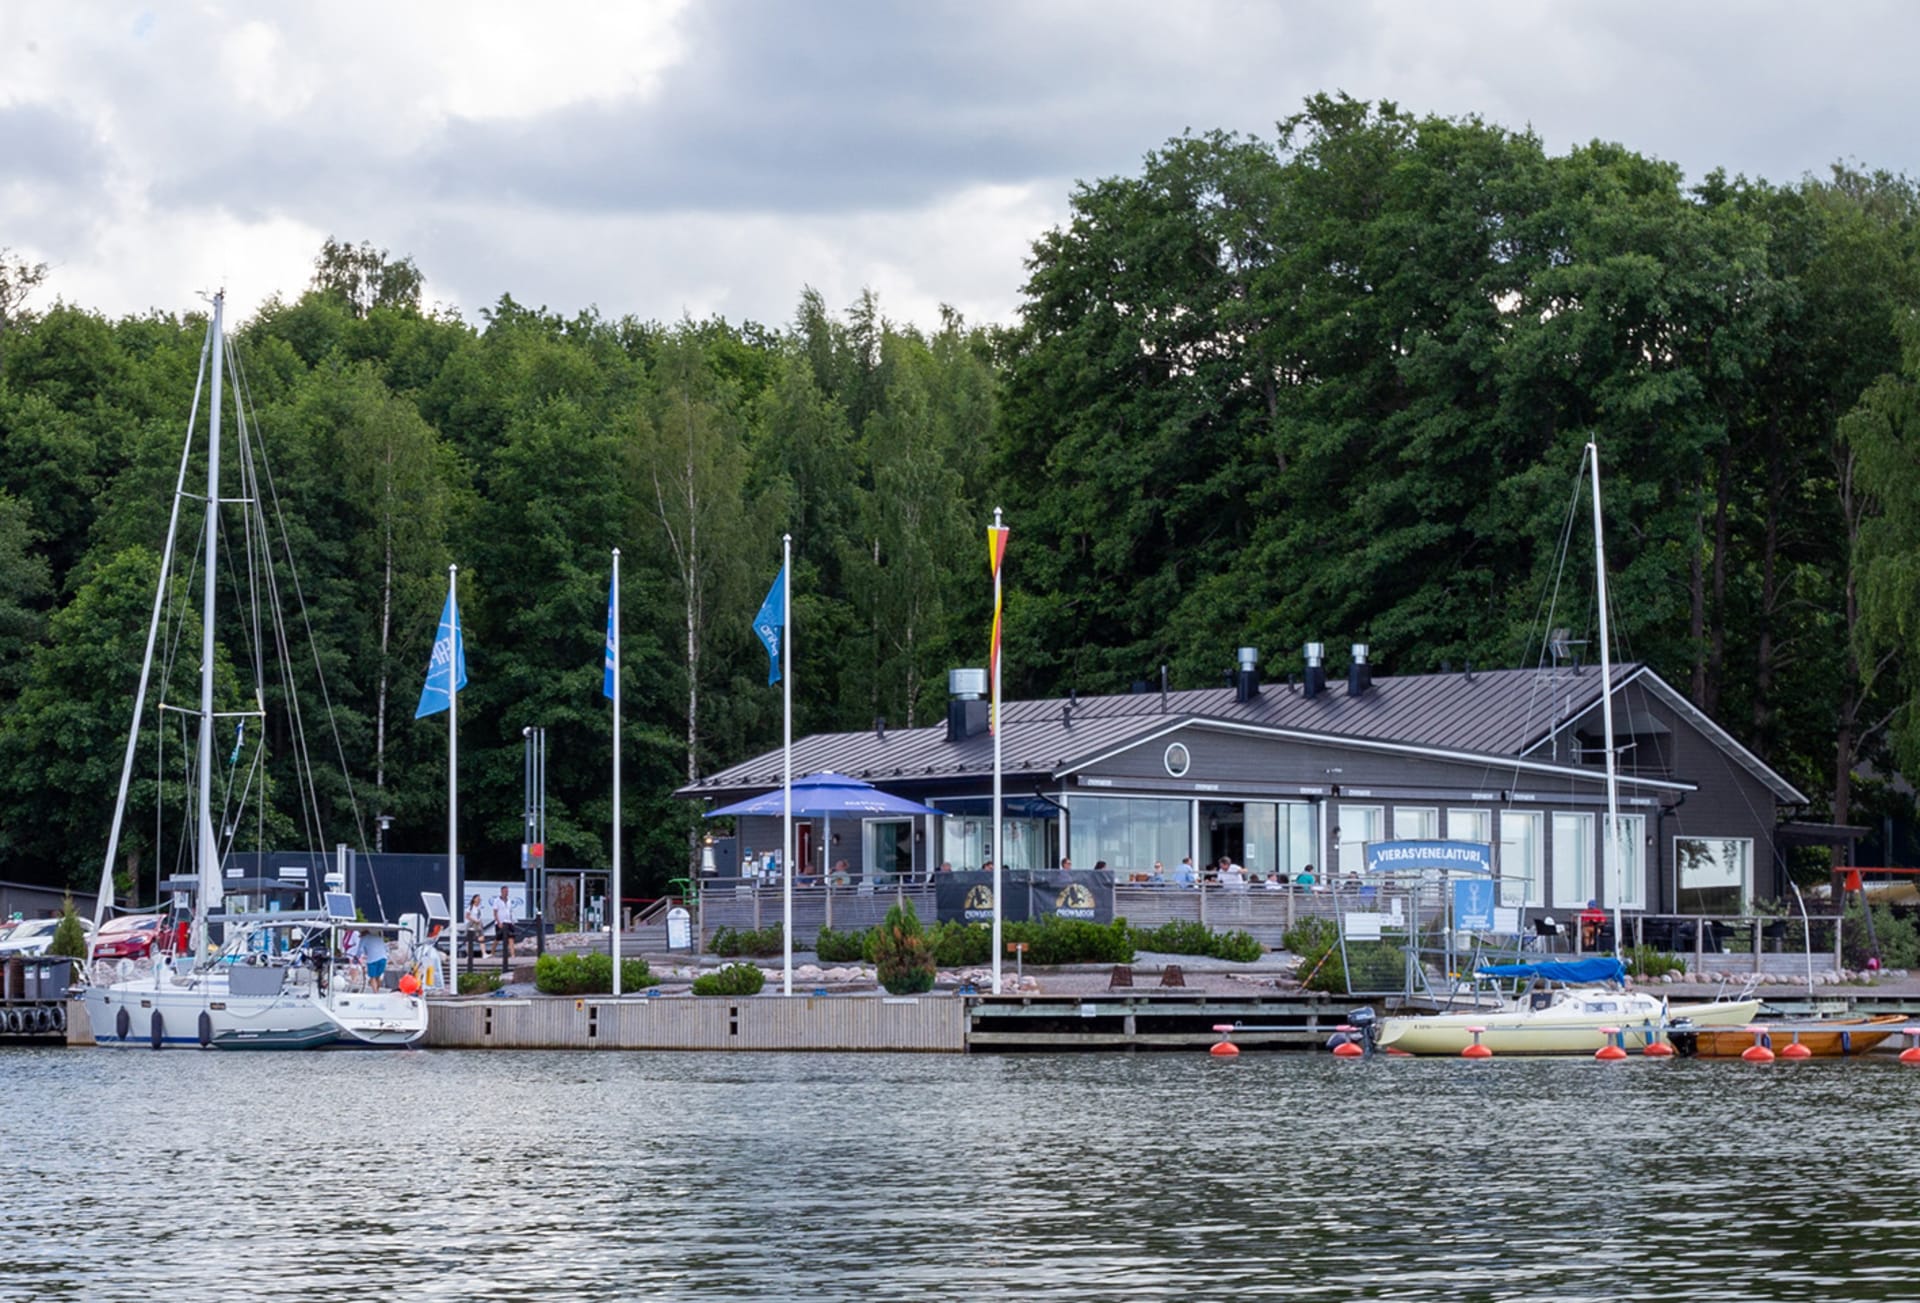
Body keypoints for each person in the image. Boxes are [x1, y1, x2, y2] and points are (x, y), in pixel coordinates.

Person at [492, 886, 516, 964]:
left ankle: (513, 955)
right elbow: (495, 912)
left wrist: (512, 921)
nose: (506, 893)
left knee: (511, 938)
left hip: (508, 922)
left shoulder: (509, 901)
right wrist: (498, 922)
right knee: (498, 938)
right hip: (501, 922)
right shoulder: (497, 901)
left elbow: (510, 911)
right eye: (505, 891)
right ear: (501, 892)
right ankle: (492, 952)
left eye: (507, 891)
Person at [465, 893, 487, 958]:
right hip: (471, 924)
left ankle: (484, 953)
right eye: (477, 898)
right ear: (474, 899)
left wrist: (480, 922)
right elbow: (467, 916)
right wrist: (475, 920)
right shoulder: (470, 907)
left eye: (479, 899)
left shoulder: (478, 908)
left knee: (481, 938)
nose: (479, 900)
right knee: (469, 940)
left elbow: (479, 917)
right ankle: (469, 955)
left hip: (478, 924)